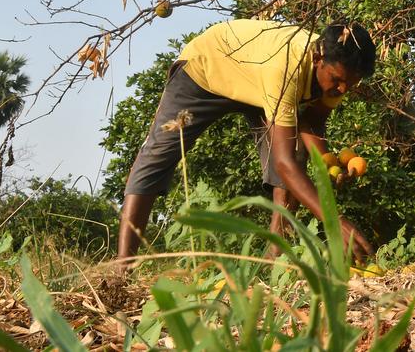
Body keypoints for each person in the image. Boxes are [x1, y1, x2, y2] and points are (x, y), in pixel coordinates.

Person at [116, 19, 376, 266]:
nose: (342, 90)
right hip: (206, 68)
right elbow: (284, 164)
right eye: (337, 80)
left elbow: (313, 123)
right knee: (157, 157)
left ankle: (276, 262)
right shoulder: (287, 67)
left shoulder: (339, 72)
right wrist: (334, 221)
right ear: (317, 59)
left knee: (297, 152)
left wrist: (330, 167)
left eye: (349, 84)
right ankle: (122, 270)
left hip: (259, 82)